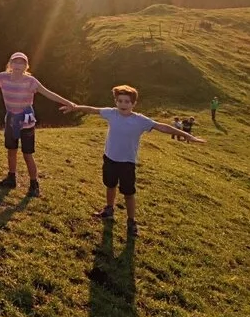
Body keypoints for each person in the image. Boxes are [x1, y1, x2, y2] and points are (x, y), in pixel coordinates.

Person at [68, 85, 204, 236]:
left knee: (128, 193)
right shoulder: (111, 113)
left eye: (127, 101)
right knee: (110, 185)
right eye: (120, 101)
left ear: (133, 104)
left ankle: (131, 221)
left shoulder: (140, 120)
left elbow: (162, 127)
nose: (123, 104)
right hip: (110, 158)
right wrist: (74, 107)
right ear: (116, 101)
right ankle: (109, 209)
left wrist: (187, 135)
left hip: (127, 163)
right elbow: (92, 109)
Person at [0, 52, 77, 198]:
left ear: (26, 66)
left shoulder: (31, 81)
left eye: (21, 63)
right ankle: (11, 178)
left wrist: (69, 103)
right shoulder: (2, 77)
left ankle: (34, 184)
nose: (18, 65)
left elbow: (48, 93)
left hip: (27, 121)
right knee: (11, 150)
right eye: (15, 62)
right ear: (10, 64)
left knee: (27, 154)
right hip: (11, 120)